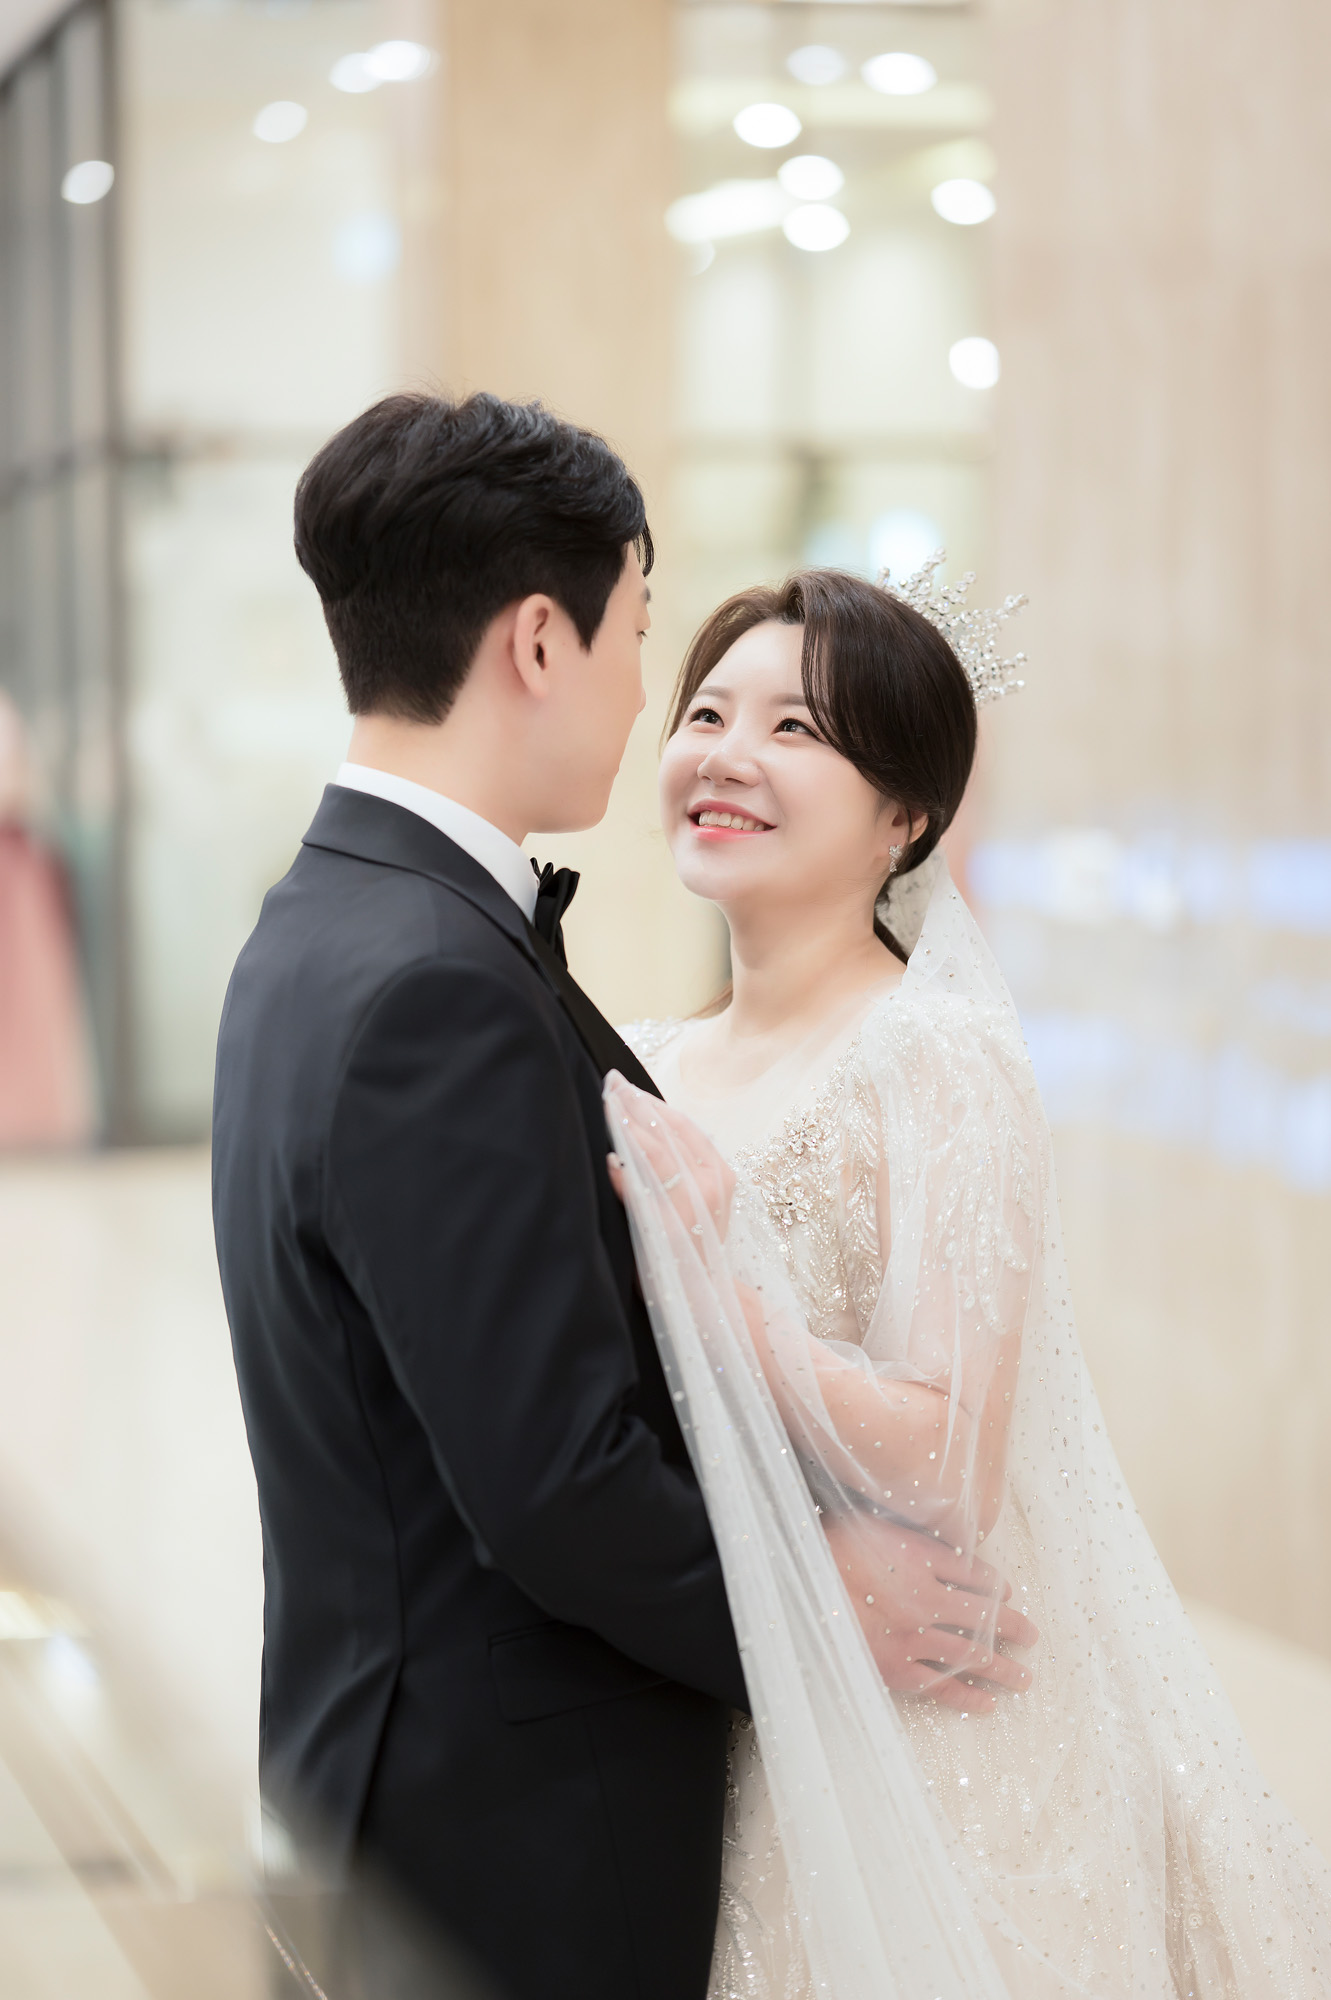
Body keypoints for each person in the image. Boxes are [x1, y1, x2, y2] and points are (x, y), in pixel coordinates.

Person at [610, 563, 1331, 1999]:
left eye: (795, 728)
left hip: (929, 1722)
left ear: (907, 817)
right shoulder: (645, 1061)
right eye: (706, 713)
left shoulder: (934, 1061)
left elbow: (948, 1460)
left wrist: (724, 1307)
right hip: (735, 1688)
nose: (727, 756)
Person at [212, 391, 763, 2000]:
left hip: (382, 1775)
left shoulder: (317, 924)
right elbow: (558, 1487)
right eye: (636, 635)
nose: (642, 690)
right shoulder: (437, 982)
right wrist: (823, 1636)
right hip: (516, 1836)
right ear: (538, 639)